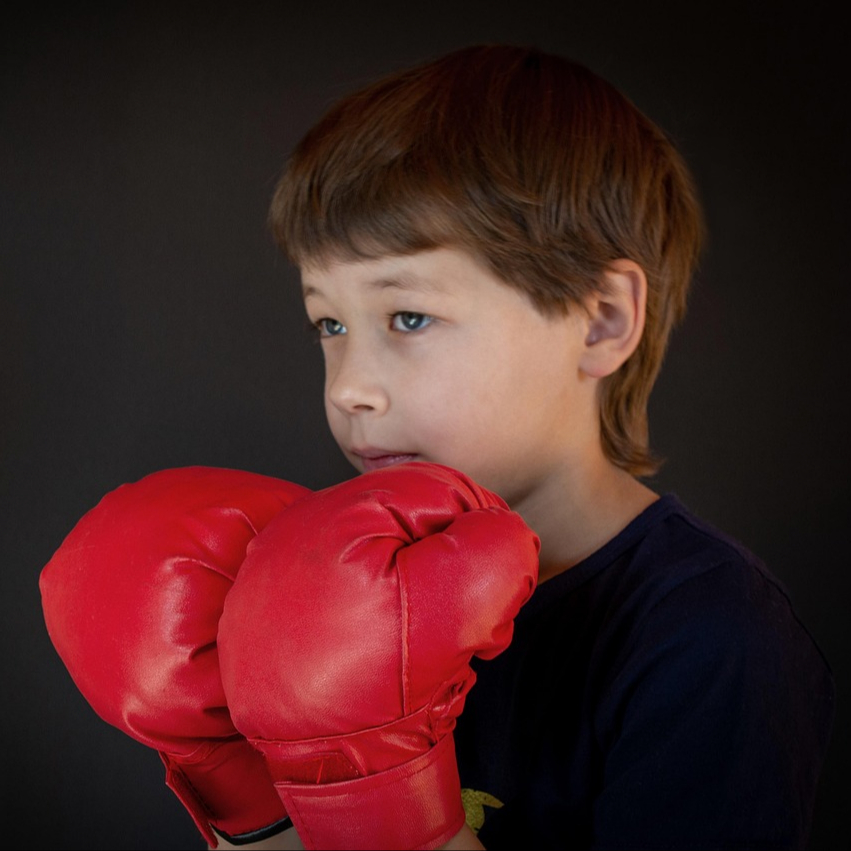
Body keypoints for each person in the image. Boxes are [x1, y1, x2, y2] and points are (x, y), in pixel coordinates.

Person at [40, 43, 835, 851]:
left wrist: (383, 801)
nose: (350, 385)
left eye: (408, 317)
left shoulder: (712, 639)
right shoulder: (324, 590)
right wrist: (246, 791)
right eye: (330, 323)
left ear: (599, 318)